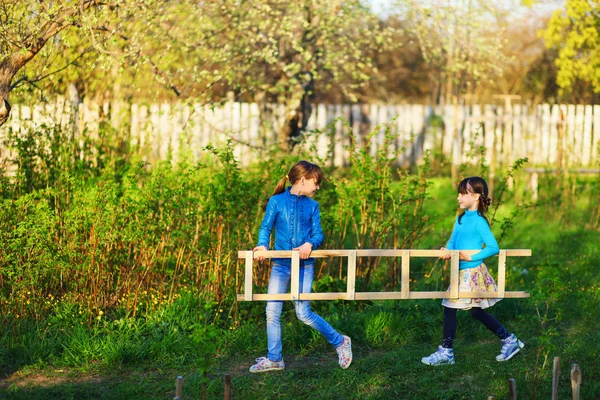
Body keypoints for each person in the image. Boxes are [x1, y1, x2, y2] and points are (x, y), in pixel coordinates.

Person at [249, 160, 352, 373]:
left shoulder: (313, 206)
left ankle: (340, 341)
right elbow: (266, 228)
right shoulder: (276, 202)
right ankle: (275, 359)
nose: (318, 187)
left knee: (303, 313)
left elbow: (318, 234)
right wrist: (261, 245)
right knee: (272, 312)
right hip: (281, 266)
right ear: (303, 180)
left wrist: (309, 244)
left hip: (304, 266)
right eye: (316, 182)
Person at [421, 176, 524, 366]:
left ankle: (446, 352)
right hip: (458, 272)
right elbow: (453, 240)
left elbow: (493, 247)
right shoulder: (460, 219)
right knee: (476, 312)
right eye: (458, 193)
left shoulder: (479, 221)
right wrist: (446, 250)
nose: (459, 198)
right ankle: (509, 340)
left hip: (472, 272)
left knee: (449, 307)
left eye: (463, 193)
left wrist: (471, 257)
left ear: (476, 196)